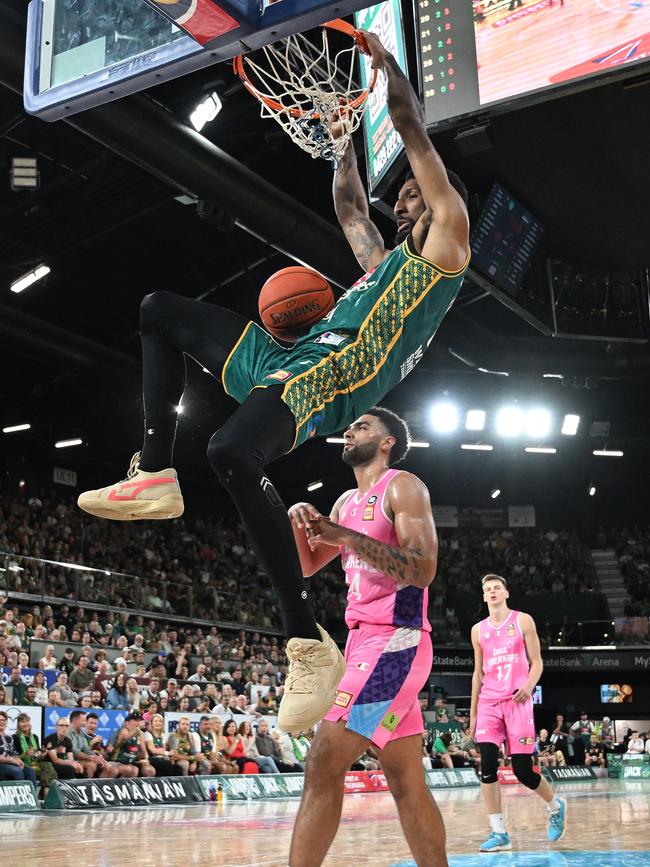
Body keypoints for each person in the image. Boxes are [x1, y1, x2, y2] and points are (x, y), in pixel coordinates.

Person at [76, 30, 469, 736]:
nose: (404, 198)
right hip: (302, 353)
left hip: (340, 371)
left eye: (414, 191)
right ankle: (156, 473)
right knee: (158, 312)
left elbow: (410, 126)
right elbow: (351, 208)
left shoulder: (447, 243)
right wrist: (345, 134)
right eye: (405, 193)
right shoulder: (383, 264)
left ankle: (304, 639)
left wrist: (391, 76)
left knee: (231, 451)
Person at [286, 406, 447, 867]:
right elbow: (307, 565)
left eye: (362, 426)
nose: (350, 430)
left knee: (323, 761)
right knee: (405, 780)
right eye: (350, 426)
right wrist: (303, 525)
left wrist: (347, 538)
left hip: (397, 641)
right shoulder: (343, 503)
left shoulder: (403, 486)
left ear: (387, 442)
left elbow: (423, 569)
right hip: (364, 643)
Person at [470, 575, 566, 853]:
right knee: (487, 765)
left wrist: (528, 686)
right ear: (484, 596)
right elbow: (477, 673)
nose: (492, 592)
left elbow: (537, 663)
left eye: (496, 588)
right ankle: (499, 833)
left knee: (523, 771)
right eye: (487, 589)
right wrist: (474, 712)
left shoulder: (523, 620)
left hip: (517, 701)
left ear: (506, 592)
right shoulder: (478, 630)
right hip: (489, 702)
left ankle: (555, 806)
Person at [12, 712, 56, 792]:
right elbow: (14, 757)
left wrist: (42, 754)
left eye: (27, 721)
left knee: (48, 765)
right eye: (23, 722)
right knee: (37, 769)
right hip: (22, 764)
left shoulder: (35, 737)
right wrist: (25, 754)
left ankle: (47, 794)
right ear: (18, 724)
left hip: (35, 763)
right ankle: (38, 794)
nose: (26, 724)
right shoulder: (15, 737)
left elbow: (38, 755)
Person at [0, 711, 39, 786]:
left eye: (3, 720)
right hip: (1, 764)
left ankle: (32, 796)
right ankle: (19, 797)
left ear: (6, 722)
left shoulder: (9, 738)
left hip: (11, 764)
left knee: (30, 771)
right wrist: (13, 761)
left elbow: (15, 754)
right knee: (17, 771)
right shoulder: (15, 736)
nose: (1, 722)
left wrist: (19, 761)